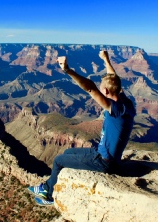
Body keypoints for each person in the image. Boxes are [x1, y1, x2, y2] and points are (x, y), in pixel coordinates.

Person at [28, 50, 136, 206]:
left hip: (104, 161)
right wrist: (106, 60)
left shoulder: (114, 109)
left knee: (58, 160)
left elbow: (90, 88)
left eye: (102, 89)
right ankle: (47, 186)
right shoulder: (126, 102)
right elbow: (114, 79)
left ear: (105, 91)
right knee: (67, 152)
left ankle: (49, 195)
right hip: (103, 154)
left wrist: (67, 70)